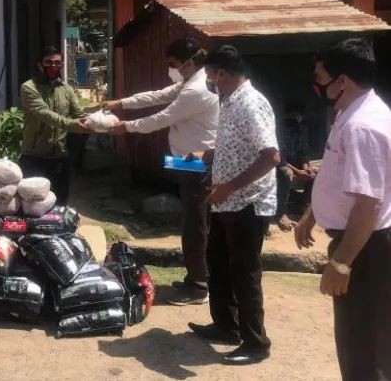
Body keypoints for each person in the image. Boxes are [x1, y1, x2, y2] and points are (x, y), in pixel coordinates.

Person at [295, 38, 391, 380]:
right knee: (364, 343)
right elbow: (339, 175)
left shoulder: (362, 126)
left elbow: (369, 202)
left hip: (366, 248)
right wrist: (312, 214)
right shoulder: (351, 114)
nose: (317, 84)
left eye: (321, 77)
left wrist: (341, 261)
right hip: (364, 242)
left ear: (342, 81)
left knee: (363, 350)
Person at [104, 38, 219, 306]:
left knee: (196, 224)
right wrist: (120, 102)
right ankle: (196, 278)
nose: (171, 69)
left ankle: (200, 286)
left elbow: (161, 118)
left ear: (188, 62)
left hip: (198, 165)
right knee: (195, 221)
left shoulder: (196, 90)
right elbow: (158, 95)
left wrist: (125, 126)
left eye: (173, 64)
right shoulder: (191, 82)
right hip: (188, 163)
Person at [186, 45, 279, 365]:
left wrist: (229, 187)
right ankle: (227, 327)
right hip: (226, 201)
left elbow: (271, 157)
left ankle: (256, 344)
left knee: (244, 273)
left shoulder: (252, 104)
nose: (208, 79)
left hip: (247, 204)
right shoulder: (228, 100)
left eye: (210, 73)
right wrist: (205, 156)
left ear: (221, 73)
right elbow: (231, 144)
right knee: (219, 264)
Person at [20, 47, 87, 205]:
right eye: (48, 62)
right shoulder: (29, 88)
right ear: (39, 65)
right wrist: (74, 125)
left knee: (60, 204)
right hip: (34, 157)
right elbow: (44, 114)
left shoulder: (66, 90)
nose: (53, 66)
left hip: (59, 159)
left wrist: (97, 122)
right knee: (33, 206)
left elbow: (78, 114)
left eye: (57, 63)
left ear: (62, 65)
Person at [274, 102, 314, 232]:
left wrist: (306, 168)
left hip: (296, 164)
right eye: (293, 115)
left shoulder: (301, 128)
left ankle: (306, 209)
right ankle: (281, 213)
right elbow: (278, 157)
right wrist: (298, 172)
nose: (296, 118)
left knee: (315, 173)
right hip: (279, 164)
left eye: (299, 115)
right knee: (286, 173)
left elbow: (303, 152)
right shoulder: (278, 129)